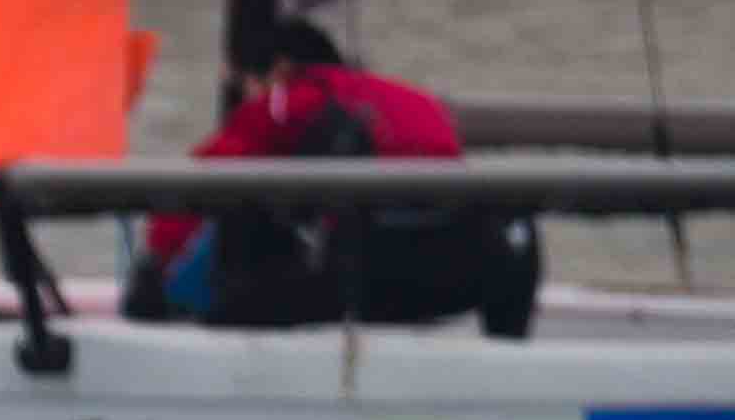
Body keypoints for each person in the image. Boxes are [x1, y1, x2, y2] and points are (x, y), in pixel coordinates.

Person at [135, 19, 519, 327]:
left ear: (280, 70)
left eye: (246, 86)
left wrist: (156, 269)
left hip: (364, 284)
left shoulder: (284, 101)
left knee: (235, 303)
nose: (247, 100)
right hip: (459, 280)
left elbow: (200, 186)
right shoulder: (417, 101)